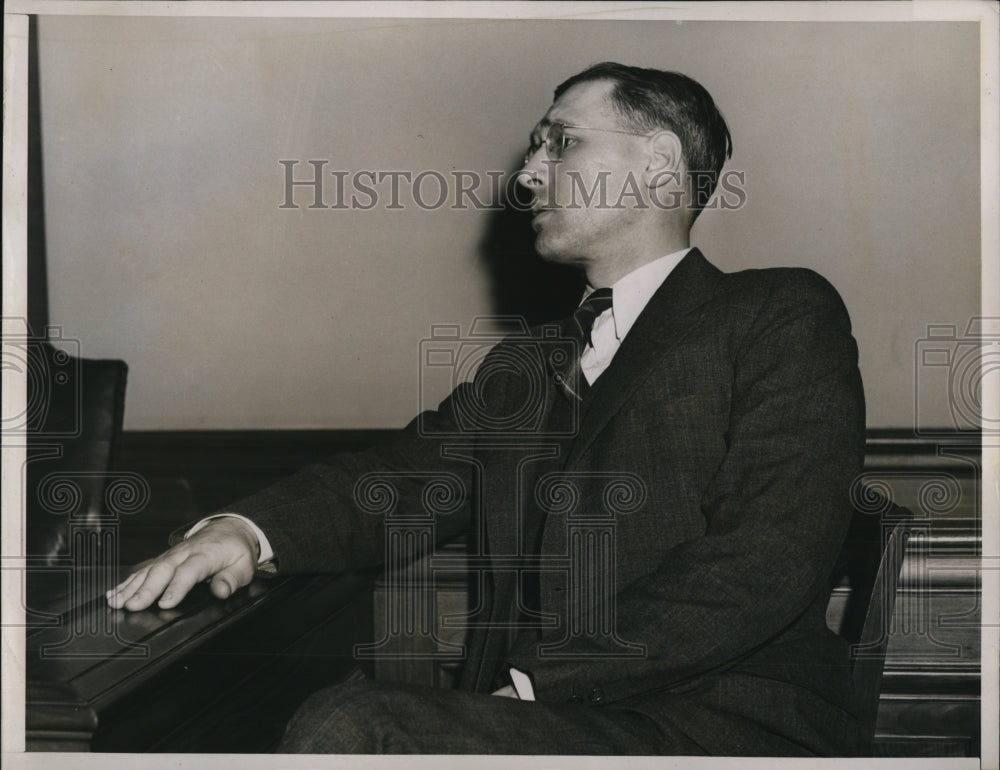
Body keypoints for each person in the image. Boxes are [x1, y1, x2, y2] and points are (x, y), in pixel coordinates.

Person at [107, 62, 866, 755]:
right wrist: (246, 531)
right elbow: (399, 478)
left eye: (560, 143)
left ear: (659, 161)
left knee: (349, 723)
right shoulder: (528, 367)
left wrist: (540, 682)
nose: (530, 177)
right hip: (555, 719)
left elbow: (768, 556)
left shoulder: (777, 313)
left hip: (721, 728)